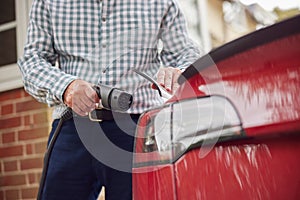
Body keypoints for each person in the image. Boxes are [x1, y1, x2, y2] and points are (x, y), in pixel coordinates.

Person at [18, 0, 201, 199]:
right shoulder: (49, 2)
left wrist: (179, 72)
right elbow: (32, 60)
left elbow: (185, 52)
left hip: (138, 130)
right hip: (72, 127)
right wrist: (66, 87)